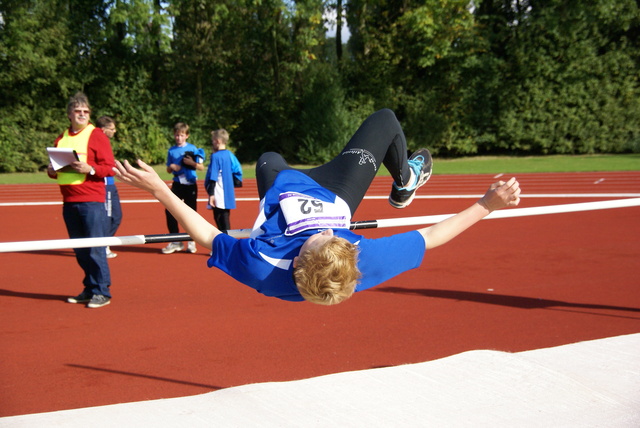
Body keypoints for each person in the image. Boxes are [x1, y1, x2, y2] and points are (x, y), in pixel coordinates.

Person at [114, 109, 520, 305]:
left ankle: (282, 170)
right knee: (385, 121)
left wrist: (157, 189)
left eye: (319, 240)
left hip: (281, 188)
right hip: (339, 191)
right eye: (335, 236)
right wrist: (488, 203)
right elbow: (431, 237)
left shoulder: (260, 266)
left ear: (296, 263)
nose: (327, 232)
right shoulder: (360, 261)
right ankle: (405, 181)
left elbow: (206, 235)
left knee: (269, 155)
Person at [47, 92, 116, 309]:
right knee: (80, 250)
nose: (82, 115)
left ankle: (102, 291)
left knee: (95, 248)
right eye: (78, 111)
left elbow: (110, 167)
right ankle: (89, 288)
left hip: (91, 201)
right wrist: (51, 170)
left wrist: (91, 168)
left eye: (86, 111)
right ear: (69, 114)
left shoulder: (96, 135)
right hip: (69, 201)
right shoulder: (62, 138)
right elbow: (56, 171)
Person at [161, 122, 205, 254]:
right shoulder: (171, 150)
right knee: (170, 210)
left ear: (187, 136)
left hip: (190, 184)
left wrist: (191, 163)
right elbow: (168, 169)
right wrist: (172, 168)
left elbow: (201, 167)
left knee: (191, 213)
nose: (178, 138)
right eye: (176, 135)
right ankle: (175, 241)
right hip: (177, 184)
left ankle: (192, 241)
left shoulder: (193, 149)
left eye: (181, 135)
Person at [204, 129, 243, 230]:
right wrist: (235, 182)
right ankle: (227, 242)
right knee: (225, 217)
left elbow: (213, 175)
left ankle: (227, 243)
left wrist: (211, 193)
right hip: (227, 191)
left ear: (217, 141)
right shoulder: (230, 155)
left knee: (219, 218)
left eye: (213, 140)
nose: (212, 143)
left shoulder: (216, 156)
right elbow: (238, 170)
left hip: (218, 191)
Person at [96, 115, 122, 259]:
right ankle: (102, 245)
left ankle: (102, 243)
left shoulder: (104, 142)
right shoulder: (99, 141)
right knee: (110, 217)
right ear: (103, 130)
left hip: (111, 183)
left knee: (116, 216)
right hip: (106, 185)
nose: (115, 131)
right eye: (112, 129)